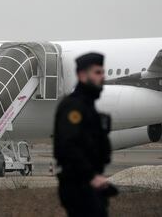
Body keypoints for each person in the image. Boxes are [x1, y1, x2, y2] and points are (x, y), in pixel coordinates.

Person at [54, 52, 117, 217]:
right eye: (97, 73)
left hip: (90, 184)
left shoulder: (88, 106)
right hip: (79, 185)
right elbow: (68, 146)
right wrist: (91, 176)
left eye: (103, 72)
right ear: (82, 75)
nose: (102, 77)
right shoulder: (74, 107)